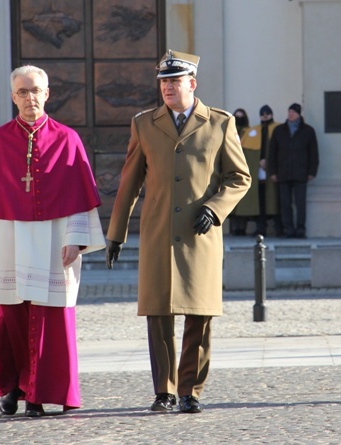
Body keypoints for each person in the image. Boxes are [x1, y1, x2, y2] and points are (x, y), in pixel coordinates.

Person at [105, 49, 250, 414]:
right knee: (159, 314)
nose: (168, 88)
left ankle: (190, 391)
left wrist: (215, 210)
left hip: (200, 234)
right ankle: (164, 391)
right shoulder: (144, 123)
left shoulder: (219, 123)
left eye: (175, 81)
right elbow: (130, 181)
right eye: (164, 82)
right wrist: (116, 233)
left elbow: (239, 178)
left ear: (192, 84)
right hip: (157, 233)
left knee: (199, 316)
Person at [0, 65, 106, 417]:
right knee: (4, 322)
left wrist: (77, 240)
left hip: (54, 242)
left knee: (49, 322)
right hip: (8, 240)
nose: (30, 97)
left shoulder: (68, 139)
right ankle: (13, 387)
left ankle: (39, 395)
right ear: (13, 97)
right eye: (22, 92)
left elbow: (80, 195)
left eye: (36, 90)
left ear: (47, 93)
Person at [268, 103, 319, 238]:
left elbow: (313, 153)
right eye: (289, 111)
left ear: (299, 114)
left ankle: (301, 229)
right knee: (285, 204)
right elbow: (272, 152)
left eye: (293, 112)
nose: (290, 114)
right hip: (282, 173)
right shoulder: (279, 130)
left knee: (300, 203)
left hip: (300, 173)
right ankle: (288, 229)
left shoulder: (308, 131)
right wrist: (272, 171)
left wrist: (312, 171)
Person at [234, 105, 283, 236]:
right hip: (258, 174)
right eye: (263, 113)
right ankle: (260, 227)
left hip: (274, 172)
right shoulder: (252, 132)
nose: (265, 115)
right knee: (260, 201)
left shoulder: (279, 129)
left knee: (276, 200)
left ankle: (280, 228)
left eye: (268, 113)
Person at [229, 108, 251, 235]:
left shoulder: (249, 133)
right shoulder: (229, 131)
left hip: (244, 169)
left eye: (241, 117)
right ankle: (234, 227)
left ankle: (242, 228)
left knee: (244, 202)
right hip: (229, 170)